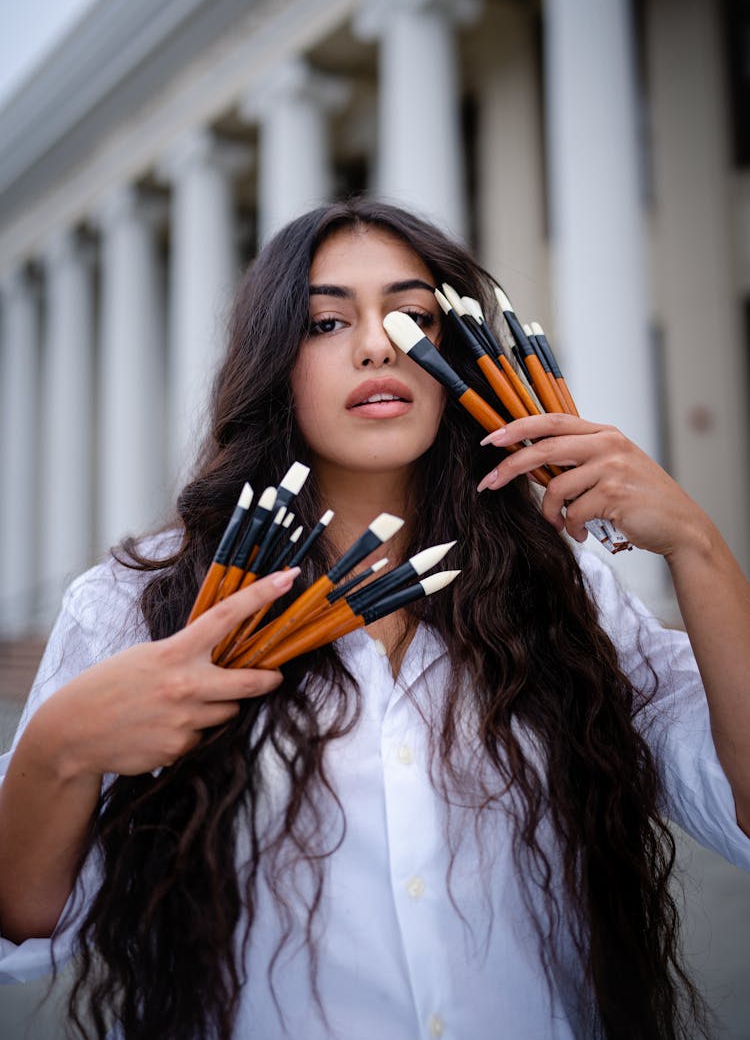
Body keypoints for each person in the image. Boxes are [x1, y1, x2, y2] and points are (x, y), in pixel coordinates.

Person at [0, 199, 748, 1040]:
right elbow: (25, 920)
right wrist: (58, 746)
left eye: (411, 315)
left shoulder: (563, 585)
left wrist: (698, 548)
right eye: (325, 322)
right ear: (274, 361)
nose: (377, 343)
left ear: (454, 354)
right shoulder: (140, 602)